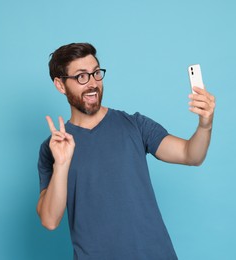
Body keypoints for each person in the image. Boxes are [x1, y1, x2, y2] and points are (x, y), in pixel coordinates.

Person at [37, 43, 215, 259]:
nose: (92, 83)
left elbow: (191, 155)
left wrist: (205, 124)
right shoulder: (53, 148)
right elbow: (49, 220)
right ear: (60, 85)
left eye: (96, 73)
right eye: (81, 77)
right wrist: (62, 164)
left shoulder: (135, 125)